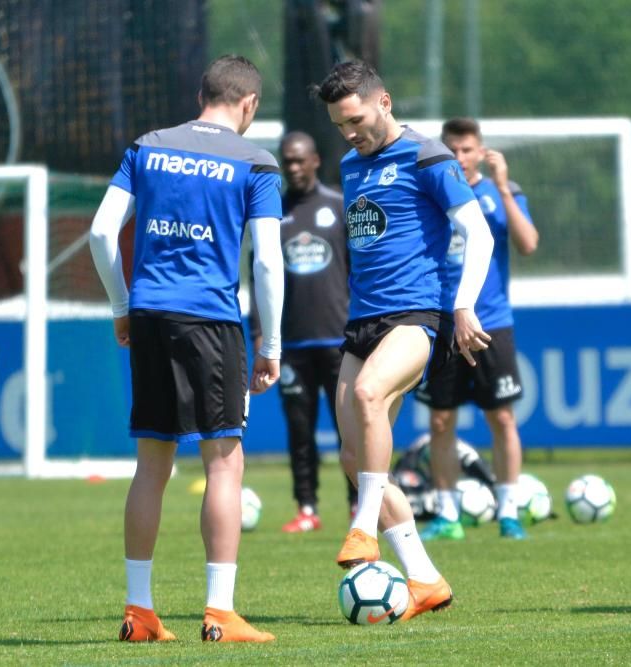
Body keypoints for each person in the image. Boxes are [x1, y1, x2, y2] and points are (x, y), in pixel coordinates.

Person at [90, 55, 284, 643]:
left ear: (203, 93)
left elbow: (101, 232)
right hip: (211, 319)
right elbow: (268, 262)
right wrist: (270, 342)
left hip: (148, 313)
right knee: (224, 460)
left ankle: (139, 610)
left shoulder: (148, 146)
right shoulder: (254, 160)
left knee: (153, 463)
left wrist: (122, 308)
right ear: (248, 103)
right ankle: (219, 612)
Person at [314, 61, 495, 619]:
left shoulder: (427, 156)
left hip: (416, 317)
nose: (350, 133)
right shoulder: (351, 164)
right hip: (361, 322)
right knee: (352, 454)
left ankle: (363, 528)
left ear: (384, 102)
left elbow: (478, 232)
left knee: (369, 394)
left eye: (356, 119)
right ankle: (424, 578)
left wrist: (462, 305)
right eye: (340, 124)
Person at [416, 117, 539, 541]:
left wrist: (503, 187)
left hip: (491, 322)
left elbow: (528, 245)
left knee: (502, 417)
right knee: (439, 421)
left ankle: (509, 512)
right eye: (452, 149)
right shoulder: (433, 194)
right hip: (443, 323)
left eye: (467, 149)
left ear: (481, 152)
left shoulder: (500, 194)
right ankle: (447, 515)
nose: (460, 157)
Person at [249, 131, 357, 533]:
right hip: (291, 344)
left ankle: (357, 507)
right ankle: (307, 508)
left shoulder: (339, 207)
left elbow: (358, 272)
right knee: (299, 431)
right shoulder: (271, 214)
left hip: (340, 340)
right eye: (287, 162)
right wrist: (259, 331)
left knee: (351, 430)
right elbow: (256, 275)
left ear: (314, 161)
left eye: (299, 160)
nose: (293, 168)